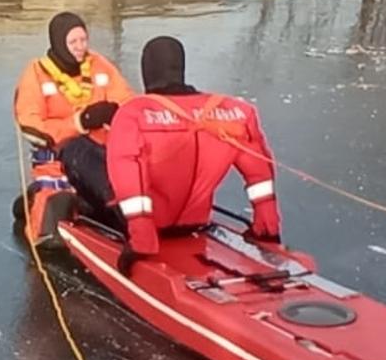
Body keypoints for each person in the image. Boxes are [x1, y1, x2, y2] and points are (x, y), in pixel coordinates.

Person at [64, 36, 280, 269]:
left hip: (149, 225)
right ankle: (267, 225)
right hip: (194, 220)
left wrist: (141, 237)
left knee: (75, 149)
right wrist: (266, 225)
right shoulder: (236, 111)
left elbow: (128, 174)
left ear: (148, 71)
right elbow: (259, 172)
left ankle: (87, 210)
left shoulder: (134, 113)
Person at [12, 12, 133, 246]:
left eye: (83, 40)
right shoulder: (36, 73)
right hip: (60, 160)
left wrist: (114, 114)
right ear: (59, 43)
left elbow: (127, 101)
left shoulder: (100, 66)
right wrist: (79, 123)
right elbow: (30, 124)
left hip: (103, 158)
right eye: (73, 42)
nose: (80, 47)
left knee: (122, 196)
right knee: (51, 240)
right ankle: (35, 200)